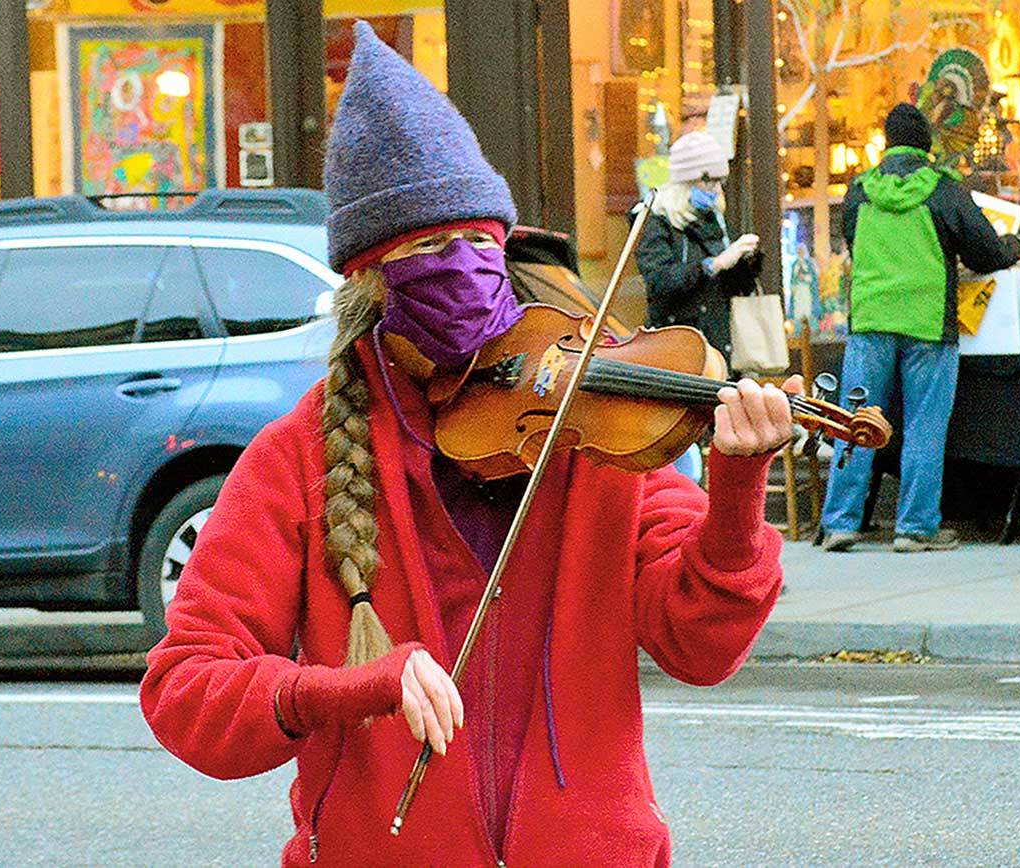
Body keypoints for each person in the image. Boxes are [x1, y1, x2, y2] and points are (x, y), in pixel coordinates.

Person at [141, 23, 799, 867]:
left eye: (480, 244)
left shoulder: (588, 418)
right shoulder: (300, 455)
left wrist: (738, 494)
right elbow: (186, 690)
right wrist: (350, 690)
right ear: (371, 282)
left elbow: (701, 646)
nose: (464, 268)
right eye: (426, 248)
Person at [820, 103, 1020, 553]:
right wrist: (1014, 244)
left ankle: (839, 522)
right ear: (926, 144)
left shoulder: (859, 192)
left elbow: (851, 244)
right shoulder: (944, 191)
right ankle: (914, 528)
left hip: (871, 320)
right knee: (924, 427)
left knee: (856, 423)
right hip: (928, 323)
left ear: (888, 142)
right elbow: (986, 254)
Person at [636, 130, 764, 365]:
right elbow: (659, 280)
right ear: (685, 181)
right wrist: (713, 265)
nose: (716, 189)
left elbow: (729, 289)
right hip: (676, 346)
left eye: (720, 180)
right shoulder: (657, 221)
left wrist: (746, 264)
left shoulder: (712, 219)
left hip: (718, 345)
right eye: (708, 180)